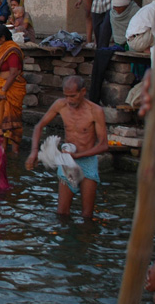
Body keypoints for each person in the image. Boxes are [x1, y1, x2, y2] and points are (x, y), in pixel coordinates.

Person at [26, 75, 108, 218]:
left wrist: (78, 156)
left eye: (73, 96)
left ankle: (85, 237)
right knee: (62, 213)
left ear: (83, 92)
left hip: (87, 161)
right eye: (66, 96)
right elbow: (39, 126)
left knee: (87, 215)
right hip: (67, 161)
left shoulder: (95, 111)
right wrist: (34, 152)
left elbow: (103, 145)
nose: (69, 100)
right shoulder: (60, 105)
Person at [0, 25, 26, 156]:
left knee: (12, 121)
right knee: (2, 121)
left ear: (3, 37)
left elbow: (14, 73)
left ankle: (15, 152)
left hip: (11, 90)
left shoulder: (12, 51)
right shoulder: (2, 49)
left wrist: (4, 89)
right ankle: (2, 151)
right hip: (2, 90)